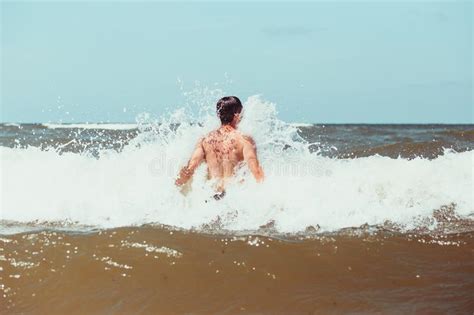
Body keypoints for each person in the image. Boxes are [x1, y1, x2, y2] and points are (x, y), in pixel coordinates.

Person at [175, 96, 264, 199]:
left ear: (219, 115)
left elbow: (189, 170)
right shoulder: (244, 140)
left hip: (212, 199)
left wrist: (173, 188)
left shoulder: (205, 140)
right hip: (234, 200)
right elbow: (256, 172)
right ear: (238, 114)